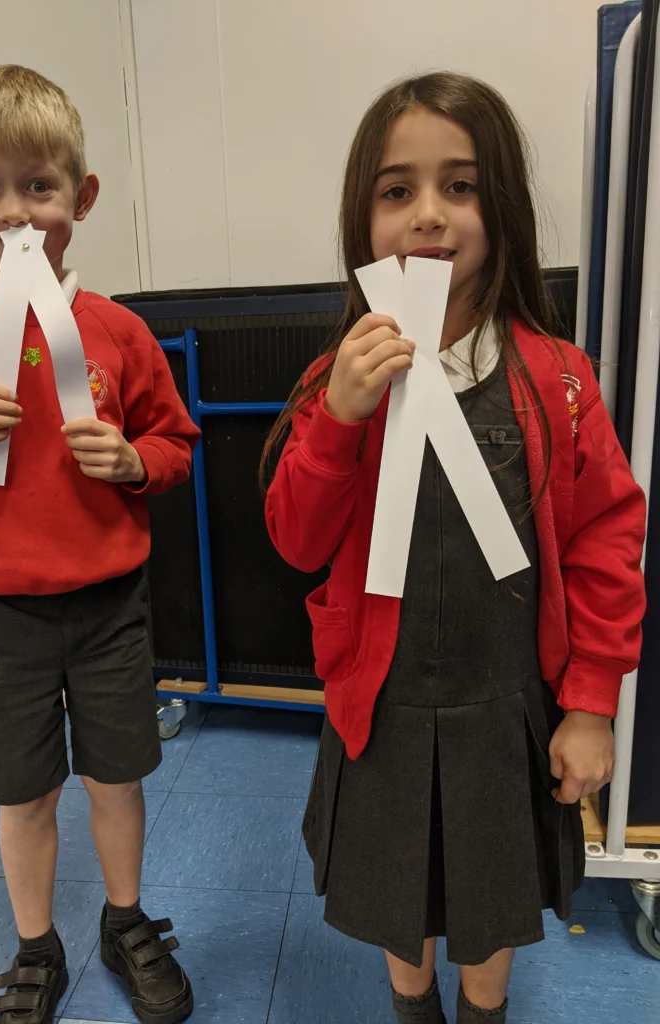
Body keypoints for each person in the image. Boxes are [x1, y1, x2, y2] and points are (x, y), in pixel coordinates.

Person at [261, 72, 646, 1024]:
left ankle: (483, 1012)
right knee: (401, 891)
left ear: (500, 205)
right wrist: (338, 419)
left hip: (508, 705)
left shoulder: (559, 379)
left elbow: (606, 539)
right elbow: (296, 540)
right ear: (363, 219)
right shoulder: (334, 379)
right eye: (397, 190)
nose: (428, 214)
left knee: (491, 900)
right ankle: (413, 1008)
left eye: (460, 185)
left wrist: (591, 702)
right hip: (383, 705)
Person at [0, 65, 199, 1024]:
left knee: (117, 777)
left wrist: (135, 461)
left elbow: (177, 447)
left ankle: (124, 919)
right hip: (1, 616)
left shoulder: (117, 332)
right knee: (23, 794)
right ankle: (36, 944)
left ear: (82, 196)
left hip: (110, 607)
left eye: (39, 186)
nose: (14, 211)